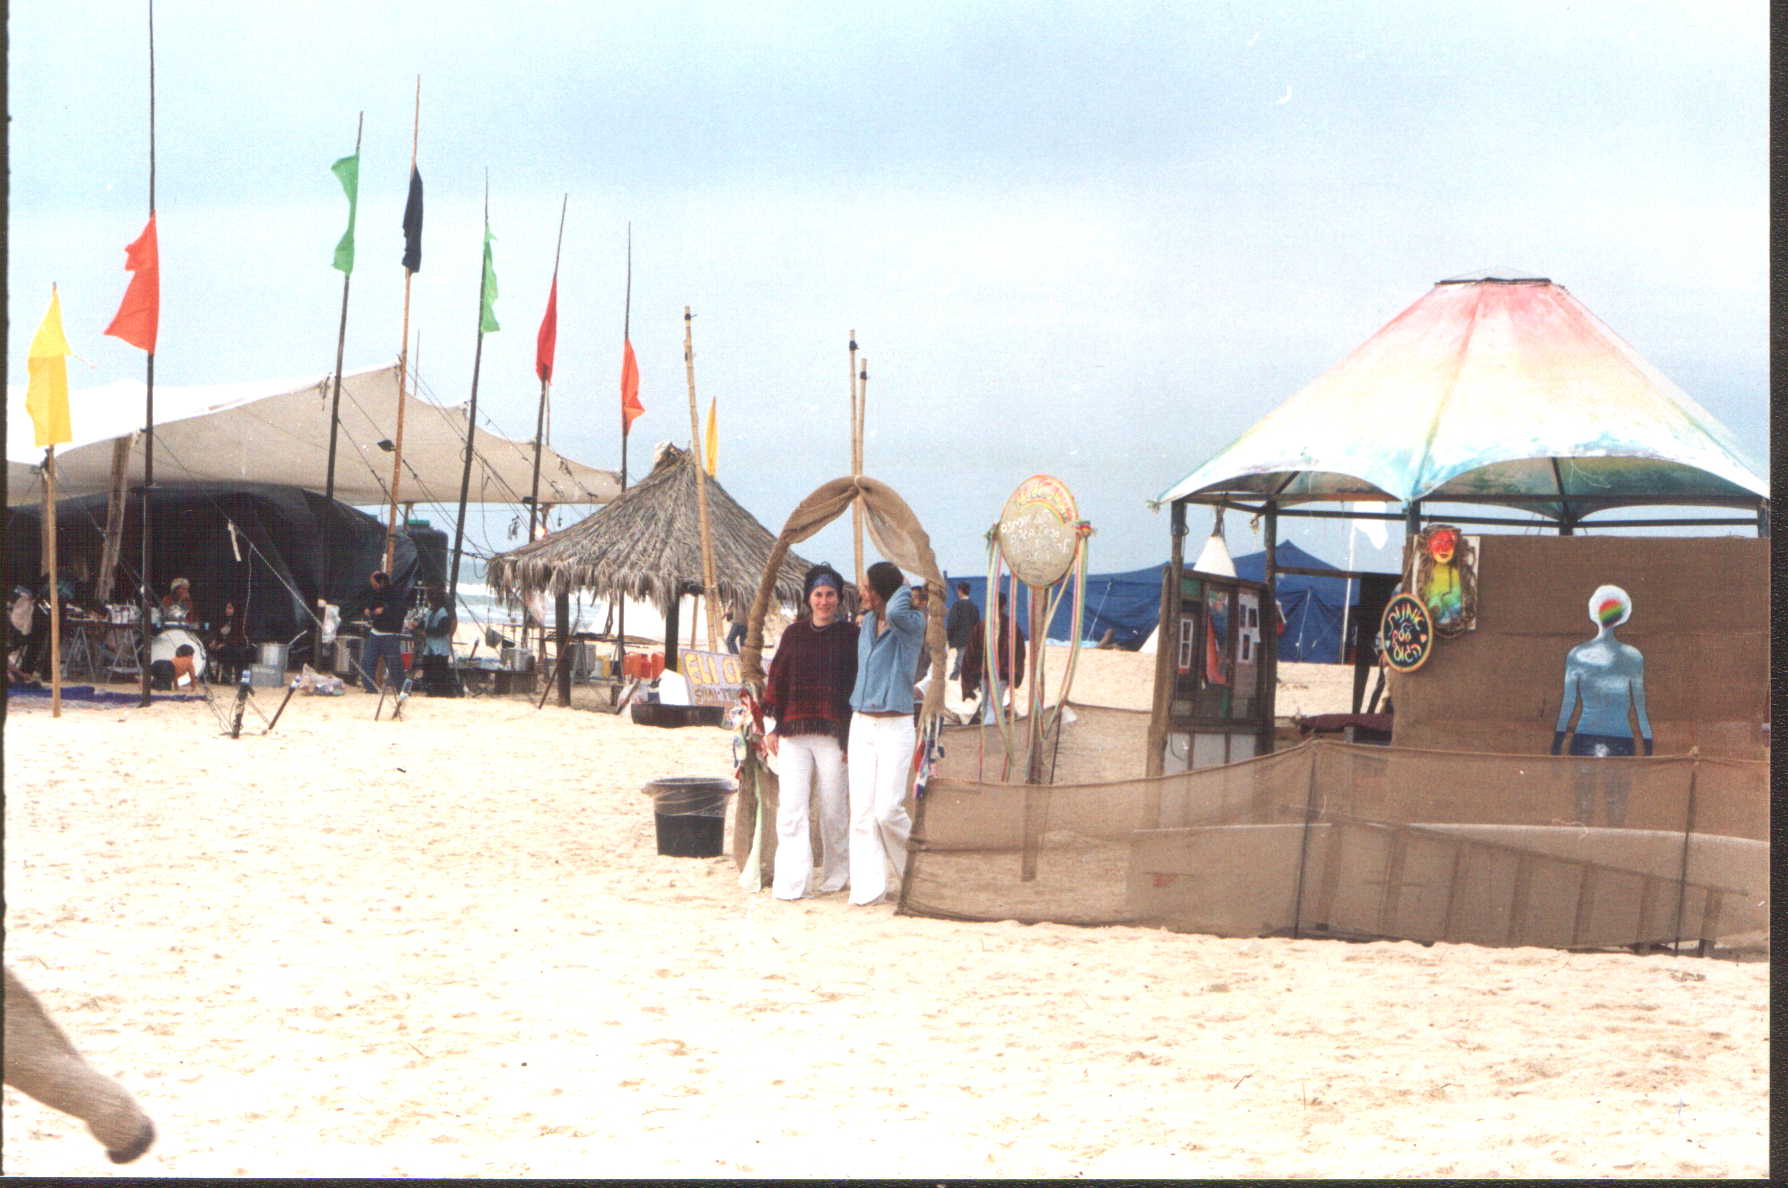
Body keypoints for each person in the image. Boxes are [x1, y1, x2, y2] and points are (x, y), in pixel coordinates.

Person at [760, 564, 858, 900]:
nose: (824, 601)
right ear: (808, 598)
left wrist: (850, 737)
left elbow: (856, 687)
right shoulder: (794, 634)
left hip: (833, 734)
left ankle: (837, 874)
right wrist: (771, 728)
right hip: (793, 732)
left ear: (839, 598)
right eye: (818, 594)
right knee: (791, 809)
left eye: (830, 594)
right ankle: (793, 881)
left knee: (834, 808)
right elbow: (777, 679)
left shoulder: (850, 636)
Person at [845, 560, 926, 906]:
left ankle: (917, 876)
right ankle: (869, 890)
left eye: (867, 587)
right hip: (862, 722)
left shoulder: (910, 623)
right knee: (862, 813)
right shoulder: (866, 623)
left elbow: (894, 611)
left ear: (882, 591)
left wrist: (904, 587)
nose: (861, 592)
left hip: (895, 724)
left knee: (888, 810)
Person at [1551, 584, 1652, 825]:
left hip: (1585, 738)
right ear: (1622, 616)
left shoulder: (1577, 654)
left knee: (1583, 809)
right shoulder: (1633, 657)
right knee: (1616, 811)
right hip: (1621, 740)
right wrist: (1647, 745)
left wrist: (1557, 744)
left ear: (1595, 613)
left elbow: (1568, 704)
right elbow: (1639, 706)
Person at [335, 570, 411, 692]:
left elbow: (400, 611)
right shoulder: (376, 594)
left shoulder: (395, 595)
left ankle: (402, 690)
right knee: (367, 662)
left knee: (394, 665)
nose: (373, 586)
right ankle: (371, 689)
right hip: (376, 633)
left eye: (374, 583)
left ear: (380, 582)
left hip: (390, 635)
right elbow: (371, 608)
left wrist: (384, 611)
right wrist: (370, 612)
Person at [959, 592, 1025, 710]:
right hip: (1000, 673)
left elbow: (970, 652)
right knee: (991, 707)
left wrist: (969, 676)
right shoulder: (1011, 626)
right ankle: (989, 721)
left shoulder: (982, 625)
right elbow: (1019, 652)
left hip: (985, 672)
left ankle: (987, 720)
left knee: (986, 706)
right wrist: (1015, 674)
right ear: (1004, 605)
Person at [207, 600, 255, 685]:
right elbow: (219, 634)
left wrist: (224, 644)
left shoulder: (239, 622)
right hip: (224, 646)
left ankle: (229, 678)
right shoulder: (223, 620)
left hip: (237, 645)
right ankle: (212, 677)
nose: (227, 610)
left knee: (228, 651)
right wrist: (214, 641)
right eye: (226, 608)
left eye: (230, 608)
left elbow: (238, 637)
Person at [945, 581, 980, 679]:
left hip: (959, 637)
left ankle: (955, 675)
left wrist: (948, 636)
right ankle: (958, 675)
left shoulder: (957, 605)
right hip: (971, 637)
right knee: (965, 657)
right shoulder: (974, 606)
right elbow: (976, 623)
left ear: (960, 591)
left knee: (960, 657)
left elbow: (952, 622)